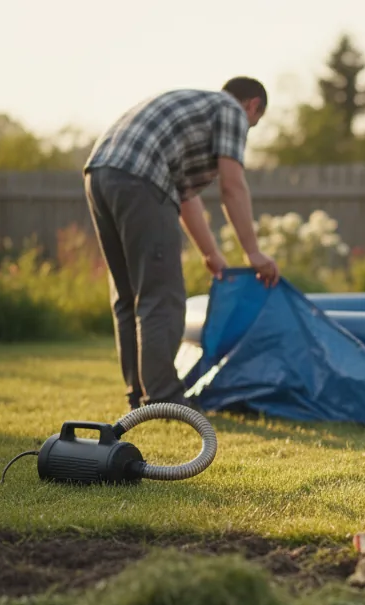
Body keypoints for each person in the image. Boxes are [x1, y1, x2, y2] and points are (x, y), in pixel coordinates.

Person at [82, 76, 280, 411]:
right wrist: (253, 253)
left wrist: (212, 254)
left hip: (100, 173)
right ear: (253, 106)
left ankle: (140, 393)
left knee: (129, 295)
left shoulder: (196, 114)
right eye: (255, 123)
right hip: (140, 177)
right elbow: (232, 186)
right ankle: (163, 397)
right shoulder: (231, 110)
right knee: (162, 295)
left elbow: (184, 199)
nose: (249, 128)